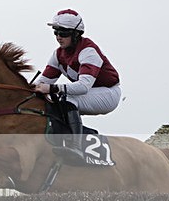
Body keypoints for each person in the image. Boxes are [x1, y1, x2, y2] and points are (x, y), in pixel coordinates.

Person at [33, 9, 121, 164]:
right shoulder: (58, 54)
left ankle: (76, 147)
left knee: (67, 96)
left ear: (76, 34)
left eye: (63, 33)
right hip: (90, 92)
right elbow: (42, 83)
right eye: (56, 32)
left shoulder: (88, 51)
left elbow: (83, 87)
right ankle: (78, 135)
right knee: (51, 100)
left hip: (108, 94)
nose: (59, 37)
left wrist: (52, 89)